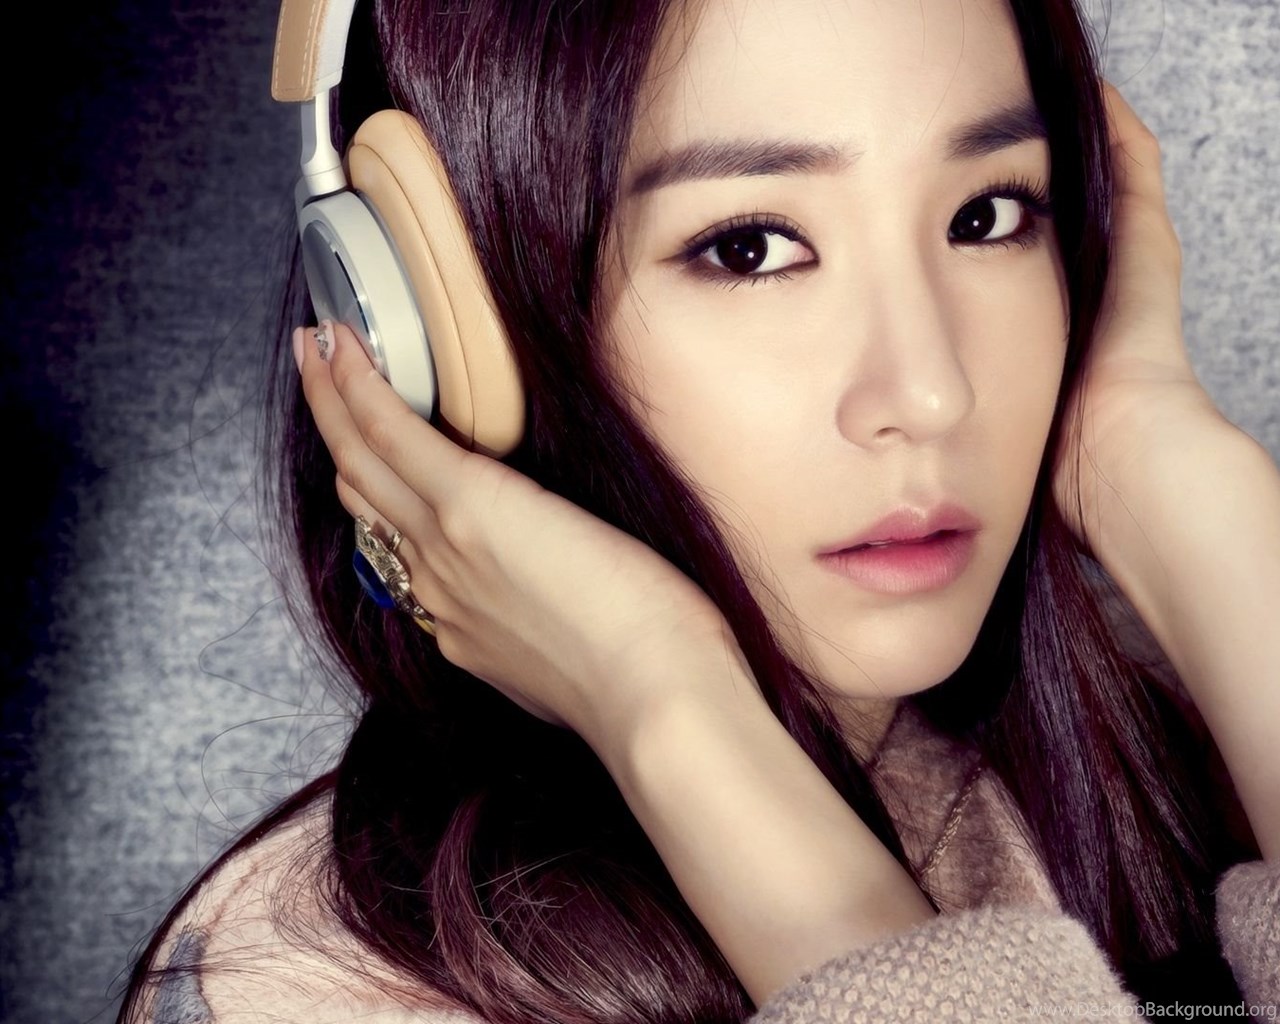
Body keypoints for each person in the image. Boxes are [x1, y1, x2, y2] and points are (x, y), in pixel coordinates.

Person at [117, 0, 1280, 1020]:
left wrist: (1176, 483)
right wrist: (660, 699)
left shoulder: (1170, 768)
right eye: (749, 247)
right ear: (428, 321)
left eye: (984, 216)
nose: (930, 393)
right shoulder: (317, 991)